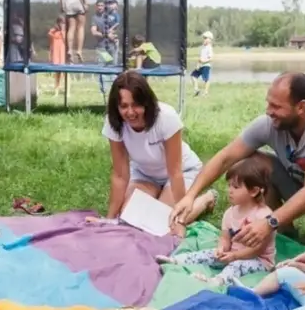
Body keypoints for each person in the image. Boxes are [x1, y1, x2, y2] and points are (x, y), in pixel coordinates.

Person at [170, 72, 305, 245]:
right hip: (297, 188)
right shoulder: (269, 124)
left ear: (301, 107)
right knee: (254, 162)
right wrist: (190, 196)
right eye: (268, 104)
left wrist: (269, 222)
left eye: (276, 107)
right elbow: (226, 157)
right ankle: (286, 234)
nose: (269, 112)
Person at [89, 71, 215, 234]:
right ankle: (157, 200)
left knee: (163, 222)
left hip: (182, 172)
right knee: (127, 219)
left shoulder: (166, 117)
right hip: (144, 174)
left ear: (146, 102)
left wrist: (178, 217)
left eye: (136, 105)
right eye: (124, 106)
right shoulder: (114, 122)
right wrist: (110, 219)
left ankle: (205, 199)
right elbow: (120, 175)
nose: (130, 112)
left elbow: (175, 172)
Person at [156, 154, 275, 287]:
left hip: (258, 261)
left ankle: (217, 281)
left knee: (236, 266)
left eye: (235, 187)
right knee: (209, 254)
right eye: (229, 185)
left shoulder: (263, 217)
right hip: (232, 254)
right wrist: (221, 248)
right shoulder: (230, 213)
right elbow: (225, 237)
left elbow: (257, 250)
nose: (229, 191)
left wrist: (235, 256)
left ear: (254, 191)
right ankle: (177, 260)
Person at [90, 0, 120, 96]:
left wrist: (113, 35)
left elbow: (117, 25)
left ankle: (115, 91)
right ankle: (104, 92)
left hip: (112, 46)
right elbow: (94, 32)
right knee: (103, 69)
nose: (100, 7)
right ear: (95, 7)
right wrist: (106, 34)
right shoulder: (95, 18)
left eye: (102, 5)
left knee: (114, 68)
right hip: (101, 47)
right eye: (98, 5)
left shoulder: (111, 15)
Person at [48, 16, 67, 95]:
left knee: (65, 73)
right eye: (60, 22)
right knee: (57, 73)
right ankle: (56, 91)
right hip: (56, 53)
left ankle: (67, 91)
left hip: (63, 53)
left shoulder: (65, 31)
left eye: (63, 23)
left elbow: (65, 39)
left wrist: (62, 30)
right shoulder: (53, 31)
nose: (62, 24)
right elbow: (50, 39)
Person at [192, 31, 214, 97]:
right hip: (201, 65)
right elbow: (200, 58)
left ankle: (206, 92)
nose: (204, 39)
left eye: (205, 38)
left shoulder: (209, 48)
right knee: (193, 76)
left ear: (209, 39)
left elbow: (211, 59)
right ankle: (196, 90)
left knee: (206, 79)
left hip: (206, 66)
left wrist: (203, 62)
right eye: (203, 38)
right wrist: (198, 64)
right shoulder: (203, 48)